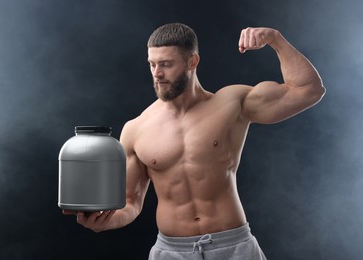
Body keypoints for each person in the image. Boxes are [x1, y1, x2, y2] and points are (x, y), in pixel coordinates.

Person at [63, 23, 325, 259]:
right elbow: (131, 202)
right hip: (171, 252)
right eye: (152, 64)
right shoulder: (136, 128)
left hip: (233, 247)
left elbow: (308, 90)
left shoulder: (231, 103)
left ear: (192, 62)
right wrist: (107, 221)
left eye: (166, 64)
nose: (157, 73)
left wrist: (275, 39)